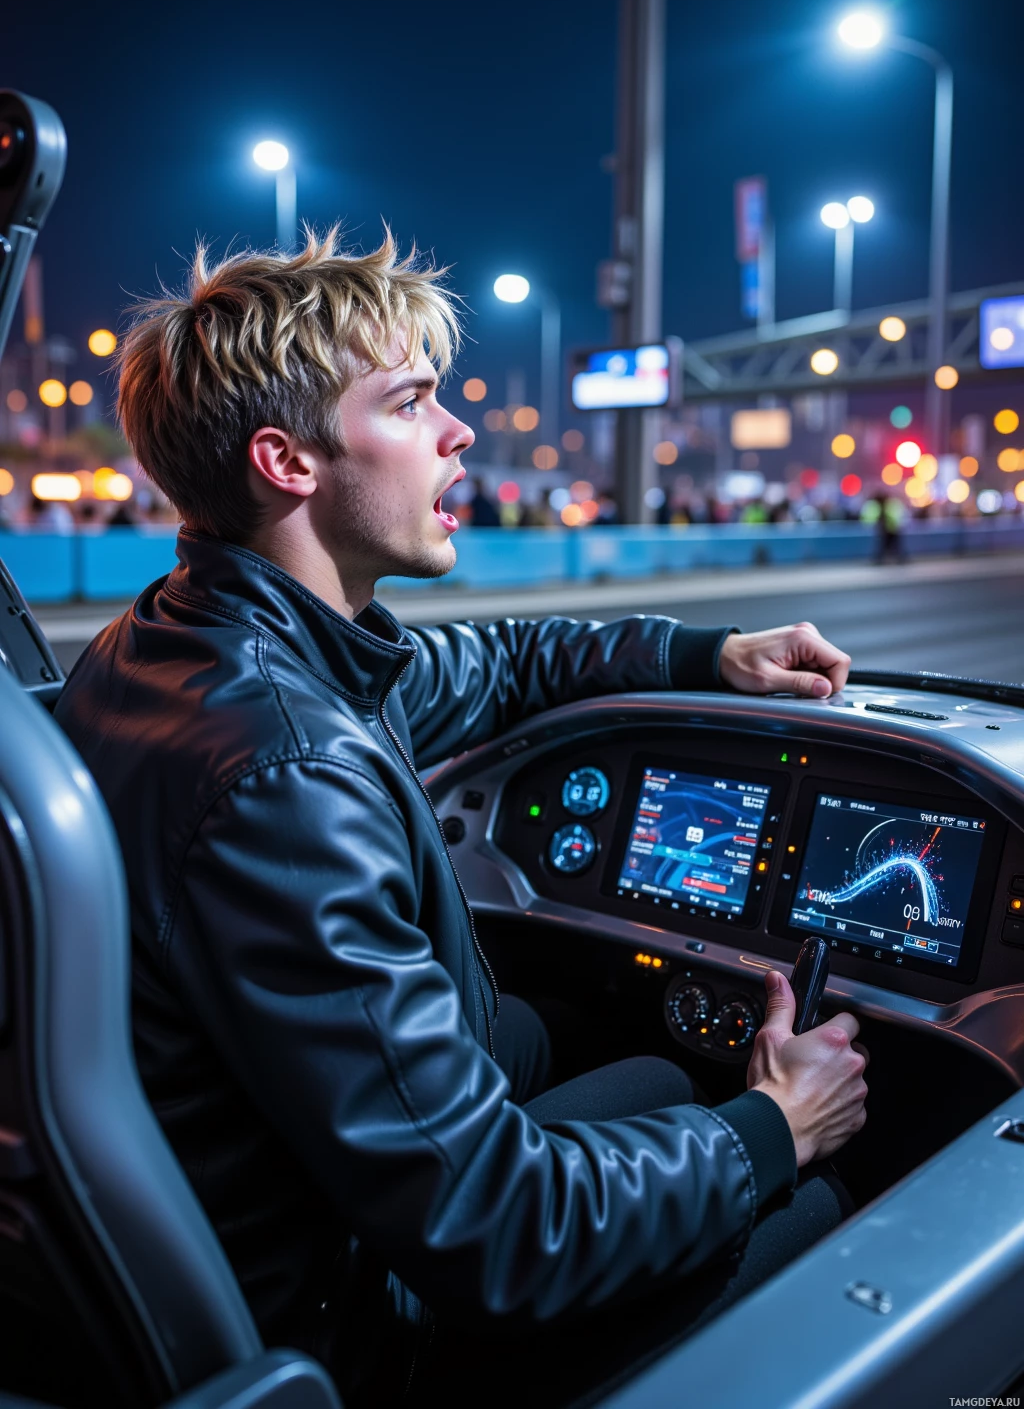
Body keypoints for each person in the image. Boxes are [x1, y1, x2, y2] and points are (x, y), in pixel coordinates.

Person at [55, 232, 866, 1408]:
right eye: (413, 402)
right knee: (829, 1203)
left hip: (227, 1234)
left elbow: (497, 662)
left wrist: (707, 652)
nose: (459, 432)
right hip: (341, 1332)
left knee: (653, 1067)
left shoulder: (184, 639)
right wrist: (777, 1131)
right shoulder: (286, 776)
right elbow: (499, 1227)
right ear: (288, 461)